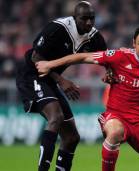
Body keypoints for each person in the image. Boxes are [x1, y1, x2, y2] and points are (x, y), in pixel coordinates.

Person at [35, 24, 139, 171]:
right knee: (116, 131)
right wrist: (50, 64)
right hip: (115, 115)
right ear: (133, 43)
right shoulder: (119, 56)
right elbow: (84, 57)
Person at [15, 1, 107, 171]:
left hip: (51, 79)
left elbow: (106, 58)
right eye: (84, 18)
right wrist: (61, 80)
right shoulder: (57, 29)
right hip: (31, 74)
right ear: (74, 18)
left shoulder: (94, 36)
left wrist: (110, 73)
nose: (88, 22)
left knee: (71, 137)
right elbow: (35, 57)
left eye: (91, 19)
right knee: (55, 117)